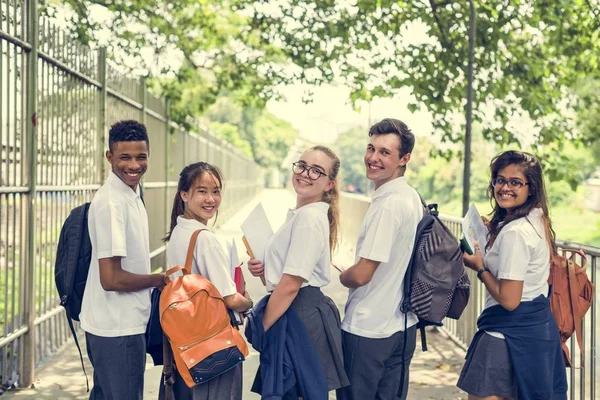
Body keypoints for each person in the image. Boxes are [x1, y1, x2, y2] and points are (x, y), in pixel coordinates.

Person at [458, 150, 567, 400]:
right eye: (500, 180)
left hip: (504, 336)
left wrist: (480, 268)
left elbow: (509, 300)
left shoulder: (515, 233)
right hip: (536, 333)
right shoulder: (536, 218)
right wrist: (492, 232)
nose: (505, 187)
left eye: (515, 182)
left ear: (531, 187)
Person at [247, 145, 350, 397]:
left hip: (299, 315)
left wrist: (264, 327)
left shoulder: (309, 219)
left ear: (328, 184)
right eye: (302, 166)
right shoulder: (301, 214)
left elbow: (292, 284)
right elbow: (285, 276)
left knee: (295, 391)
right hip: (294, 310)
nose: (305, 173)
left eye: (317, 171)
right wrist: (264, 269)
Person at [80, 120, 165, 400]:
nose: (133, 165)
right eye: (124, 157)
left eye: (141, 157)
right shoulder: (112, 203)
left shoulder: (131, 194)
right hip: (117, 329)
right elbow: (111, 278)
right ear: (109, 157)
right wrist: (158, 279)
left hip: (120, 325)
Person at [338, 118, 423, 400]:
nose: (373, 158)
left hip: (368, 330)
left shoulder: (388, 205)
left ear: (404, 159)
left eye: (385, 152)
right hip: (403, 326)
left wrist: (342, 274)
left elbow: (362, 274)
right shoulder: (411, 197)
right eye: (371, 148)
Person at [160, 161, 253, 400]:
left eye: (216, 191)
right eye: (202, 191)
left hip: (185, 343)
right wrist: (249, 302)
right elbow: (230, 299)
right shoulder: (205, 239)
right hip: (212, 347)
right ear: (184, 194)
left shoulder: (178, 232)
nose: (210, 199)